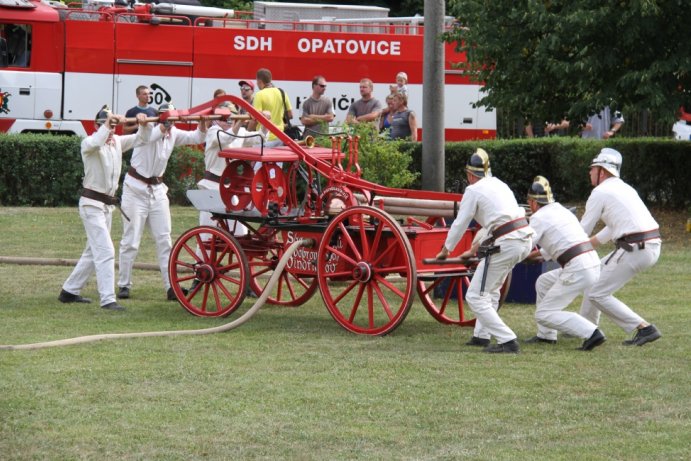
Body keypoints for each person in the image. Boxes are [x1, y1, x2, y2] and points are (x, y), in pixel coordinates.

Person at [436, 149, 534, 353]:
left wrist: (446, 250)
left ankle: (508, 341)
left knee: (474, 296)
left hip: (507, 241)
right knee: (490, 290)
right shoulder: (500, 184)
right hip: (523, 239)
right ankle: (481, 336)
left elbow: (460, 223)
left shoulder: (473, 190)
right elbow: (492, 223)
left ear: (470, 175)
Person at [58, 107, 149, 311]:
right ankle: (108, 299)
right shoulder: (89, 143)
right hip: (91, 204)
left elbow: (141, 140)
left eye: (113, 126)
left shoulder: (116, 141)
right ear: (96, 125)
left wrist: (144, 124)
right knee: (106, 250)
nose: (111, 130)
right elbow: (97, 141)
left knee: (93, 251)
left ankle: (69, 291)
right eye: (105, 125)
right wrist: (108, 124)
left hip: (105, 206)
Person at [117, 102, 207, 301]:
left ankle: (170, 287)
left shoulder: (173, 132)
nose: (171, 122)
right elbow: (150, 135)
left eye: (173, 118)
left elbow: (198, 137)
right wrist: (157, 123)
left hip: (157, 190)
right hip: (135, 189)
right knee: (131, 240)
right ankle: (124, 285)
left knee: (165, 240)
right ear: (159, 117)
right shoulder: (149, 129)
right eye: (168, 117)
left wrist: (202, 123)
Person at [579, 148, 662, 346]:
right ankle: (585, 327)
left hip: (635, 247)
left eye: (593, 168)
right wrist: (589, 245)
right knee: (594, 274)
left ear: (603, 172)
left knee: (597, 293)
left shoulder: (600, 192)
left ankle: (644, 328)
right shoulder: (623, 188)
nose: (590, 171)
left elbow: (582, 230)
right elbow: (612, 228)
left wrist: (562, 248)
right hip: (647, 246)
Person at [523, 176, 606, 351]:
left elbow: (524, 247)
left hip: (577, 267)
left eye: (529, 202)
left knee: (544, 314)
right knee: (543, 282)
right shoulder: (561, 210)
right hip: (590, 262)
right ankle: (546, 336)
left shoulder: (538, 218)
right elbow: (559, 244)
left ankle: (592, 332)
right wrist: (534, 257)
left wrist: (513, 256)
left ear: (533, 203)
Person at [247, 68, 292, 147]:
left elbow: (255, 120)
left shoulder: (259, 95)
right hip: (280, 137)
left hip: (264, 139)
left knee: (258, 159)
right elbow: (290, 115)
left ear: (260, 81)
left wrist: (247, 133)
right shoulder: (282, 92)